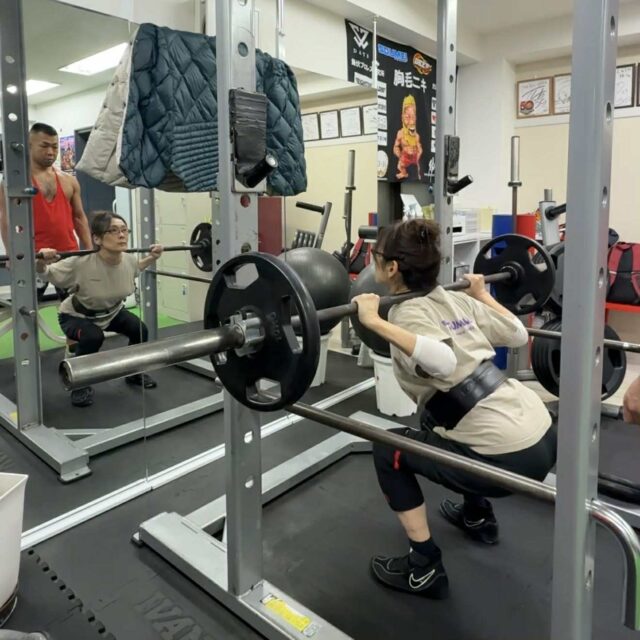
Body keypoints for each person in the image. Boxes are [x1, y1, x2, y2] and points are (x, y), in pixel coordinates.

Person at [352, 218, 557, 599]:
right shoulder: (455, 297)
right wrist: (481, 294)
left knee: (387, 449)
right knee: (436, 416)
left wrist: (374, 321)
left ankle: (423, 565)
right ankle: (477, 516)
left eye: (375, 255)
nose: (372, 259)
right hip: (543, 435)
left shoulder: (405, 312)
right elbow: (518, 334)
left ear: (392, 268)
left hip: (507, 459)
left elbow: (444, 362)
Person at [37, 212, 162, 408]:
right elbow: (46, 273)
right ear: (97, 239)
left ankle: (134, 373)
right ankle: (78, 384)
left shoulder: (128, 260)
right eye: (114, 231)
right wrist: (42, 260)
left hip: (111, 313)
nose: (122, 235)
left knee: (139, 329)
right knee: (93, 337)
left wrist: (152, 257)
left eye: (124, 230)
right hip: (76, 315)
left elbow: (136, 268)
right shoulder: (81, 263)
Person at [0, 122, 92, 265]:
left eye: (54, 147)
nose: (50, 152)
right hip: (33, 257)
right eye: (44, 146)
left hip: (68, 255)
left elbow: (79, 217)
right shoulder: (16, 182)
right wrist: (10, 253)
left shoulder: (69, 180)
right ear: (29, 146)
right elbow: (7, 219)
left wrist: (89, 249)